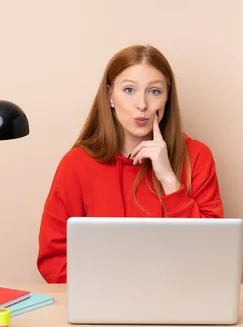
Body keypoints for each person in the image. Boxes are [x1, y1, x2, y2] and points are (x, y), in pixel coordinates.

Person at [37, 44, 224, 283]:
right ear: (110, 97)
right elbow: (53, 259)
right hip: (102, 305)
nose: (142, 105)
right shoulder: (76, 163)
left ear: (167, 98)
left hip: (179, 299)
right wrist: (112, 292)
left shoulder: (197, 156)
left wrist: (169, 179)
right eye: (129, 90)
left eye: (154, 91)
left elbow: (213, 254)